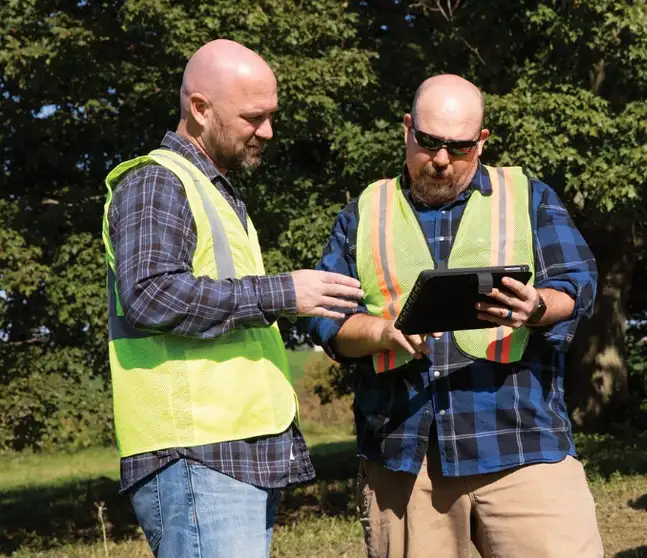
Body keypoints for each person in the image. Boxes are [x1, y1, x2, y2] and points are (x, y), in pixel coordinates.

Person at [308, 73, 604, 557]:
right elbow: (326, 321)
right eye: (428, 142)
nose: (441, 160)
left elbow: (578, 282)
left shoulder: (529, 195)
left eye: (459, 148)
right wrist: (381, 332)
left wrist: (537, 307)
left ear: (482, 143)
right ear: (406, 129)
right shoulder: (363, 213)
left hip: (523, 448)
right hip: (406, 461)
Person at [100, 39, 365, 558]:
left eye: (271, 116)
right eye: (252, 117)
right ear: (199, 109)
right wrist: (284, 291)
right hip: (195, 454)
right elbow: (149, 295)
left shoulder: (214, 190)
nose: (267, 131)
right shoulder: (156, 183)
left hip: (229, 452)